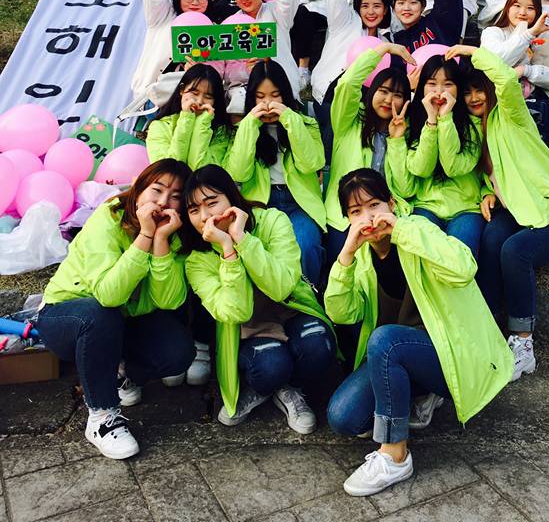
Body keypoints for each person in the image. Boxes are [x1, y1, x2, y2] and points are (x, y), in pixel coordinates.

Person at [325, 168, 512, 497]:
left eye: (374, 205)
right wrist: (346, 257)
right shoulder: (361, 258)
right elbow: (342, 313)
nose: (368, 218)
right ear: (347, 219)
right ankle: (416, 393)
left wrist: (401, 230)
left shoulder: (417, 229)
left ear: (391, 203)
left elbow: (464, 267)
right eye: (355, 212)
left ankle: (395, 455)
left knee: (385, 340)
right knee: (342, 417)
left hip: (446, 351)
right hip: (395, 355)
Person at [36, 160, 195, 459]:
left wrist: (161, 241)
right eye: (157, 190)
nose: (163, 202)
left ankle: (121, 372)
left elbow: (169, 301)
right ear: (139, 189)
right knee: (99, 315)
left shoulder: (174, 232)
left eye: (175, 196)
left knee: (178, 352)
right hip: (67, 317)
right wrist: (145, 237)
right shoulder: (109, 217)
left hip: (122, 321)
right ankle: (102, 417)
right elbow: (109, 296)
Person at [445, 44, 549, 381]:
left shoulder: (513, 116)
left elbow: (504, 79)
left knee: (514, 251)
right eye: (467, 93)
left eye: (479, 90)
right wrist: (487, 193)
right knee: (490, 239)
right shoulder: (476, 131)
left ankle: (523, 343)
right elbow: (481, 172)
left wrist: (470, 50)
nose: (474, 98)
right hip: (515, 213)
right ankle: (486, 329)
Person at [182, 165, 335, 431]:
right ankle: (266, 386)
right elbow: (236, 312)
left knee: (318, 344)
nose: (205, 216)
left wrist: (241, 238)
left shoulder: (272, 220)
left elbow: (282, 288)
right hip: (249, 329)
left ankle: (290, 389)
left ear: (231, 197)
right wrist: (228, 250)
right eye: (194, 210)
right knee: (271, 366)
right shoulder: (197, 261)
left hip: (292, 310)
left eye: (212, 203)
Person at [225, 60, 326, 286]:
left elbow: (311, 164)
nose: (268, 103)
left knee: (306, 245)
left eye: (275, 95)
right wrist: (250, 124)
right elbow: (238, 173)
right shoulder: (243, 130)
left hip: (299, 203)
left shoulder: (306, 124)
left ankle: (307, 296)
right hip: (262, 204)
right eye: (260, 97)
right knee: (262, 250)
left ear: (285, 95)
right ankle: (277, 300)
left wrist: (290, 119)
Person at [387, 54, 484, 255]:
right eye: (432, 84)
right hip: (425, 206)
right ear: (422, 87)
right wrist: (431, 123)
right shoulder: (410, 124)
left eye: (448, 84)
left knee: (460, 257)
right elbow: (420, 171)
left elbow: (453, 167)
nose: (439, 92)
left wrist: (445, 118)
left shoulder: (473, 125)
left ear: (458, 88)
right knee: (423, 256)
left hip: (466, 208)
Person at [324, 42, 414, 259]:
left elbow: (404, 188)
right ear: (372, 91)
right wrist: (383, 50)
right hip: (345, 216)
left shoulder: (407, 132)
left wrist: (397, 140)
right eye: (383, 91)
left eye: (397, 95)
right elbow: (348, 83)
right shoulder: (349, 122)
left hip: (387, 216)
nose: (389, 100)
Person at [481, 0, 549, 150]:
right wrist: (528, 35)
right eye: (517, 5)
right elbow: (497, 61)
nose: (523, 12)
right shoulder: (493, 32)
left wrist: (527, 70)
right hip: (502, 96)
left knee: (542, 139)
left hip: (538, 98)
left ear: (538, 12)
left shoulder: (545, 35)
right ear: (508, 7)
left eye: (530, 8)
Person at [130, 0, 215, 103]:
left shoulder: (213, 29)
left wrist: (199, 71)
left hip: (192, 103)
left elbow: (219, 72)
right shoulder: (163, 16)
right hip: (150, 99)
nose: (195, 2)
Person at [147, 64, 234, 168]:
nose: (200, 101)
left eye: (208, 97)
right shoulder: (159, 126)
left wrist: (202, 124)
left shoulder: (221, 133)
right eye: (194, 93)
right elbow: (169, 169)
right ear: (182, 90)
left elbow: (203, 170)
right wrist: (186, 118)